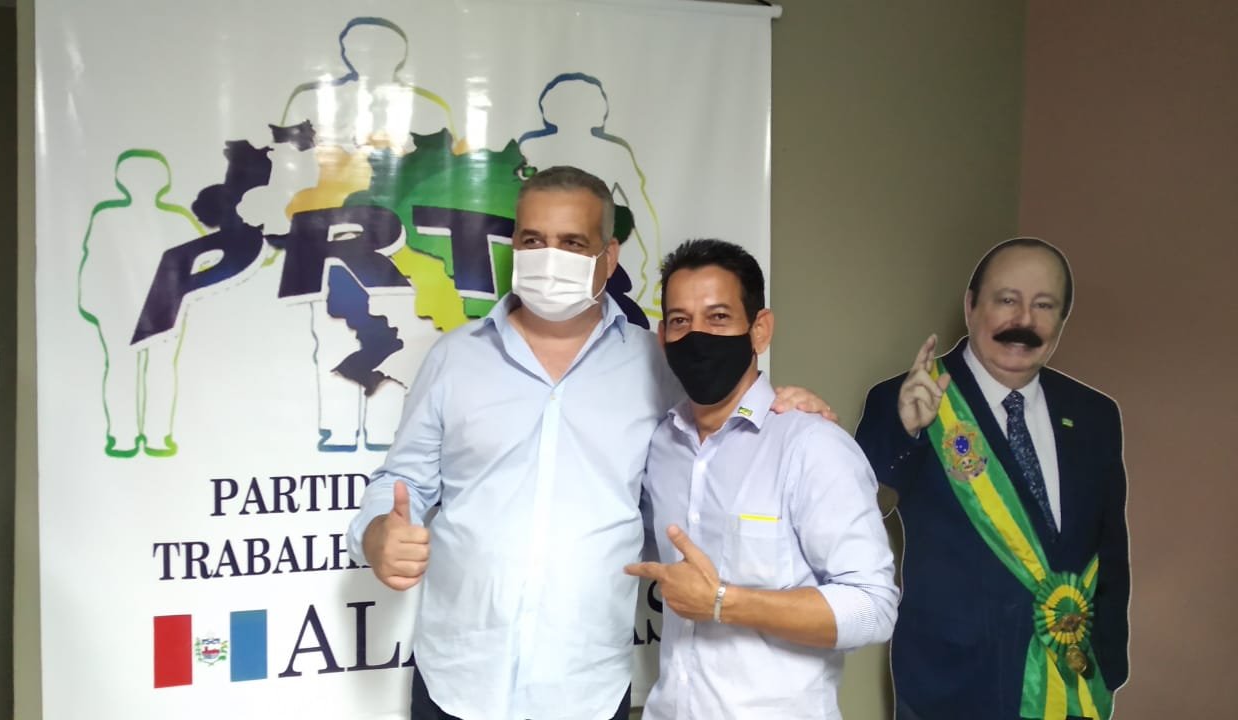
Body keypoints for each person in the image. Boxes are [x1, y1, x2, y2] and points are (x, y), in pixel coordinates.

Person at [346, 167, 829, 720]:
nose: (549, 258)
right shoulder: (454, 358)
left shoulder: (659, 365)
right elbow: (400, 481)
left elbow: (725, 433)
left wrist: (785, 405)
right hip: (456, 679)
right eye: (533, 241)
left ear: (609, 257)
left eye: (573, 243)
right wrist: (377, 532)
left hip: (586, 688)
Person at [855, 238, 1130, 720]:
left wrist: (1108, 662)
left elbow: (1110, 549)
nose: (1024, 320)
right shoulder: (906, 397)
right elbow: (863, 510)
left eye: (1044, 305)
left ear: (1062, 320)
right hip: (951, 684)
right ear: (970, 306)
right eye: (1007, 300)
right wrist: (907, 432)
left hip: (1068, 680)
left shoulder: (1095, 414)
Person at [625, 239, 898, 719]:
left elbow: (873, 608)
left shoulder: (812, 446)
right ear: (663, 336)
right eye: (680, 321)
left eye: (718, 317)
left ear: (760, 329)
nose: (697, 336)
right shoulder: (661, 446)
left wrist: (723, 602)